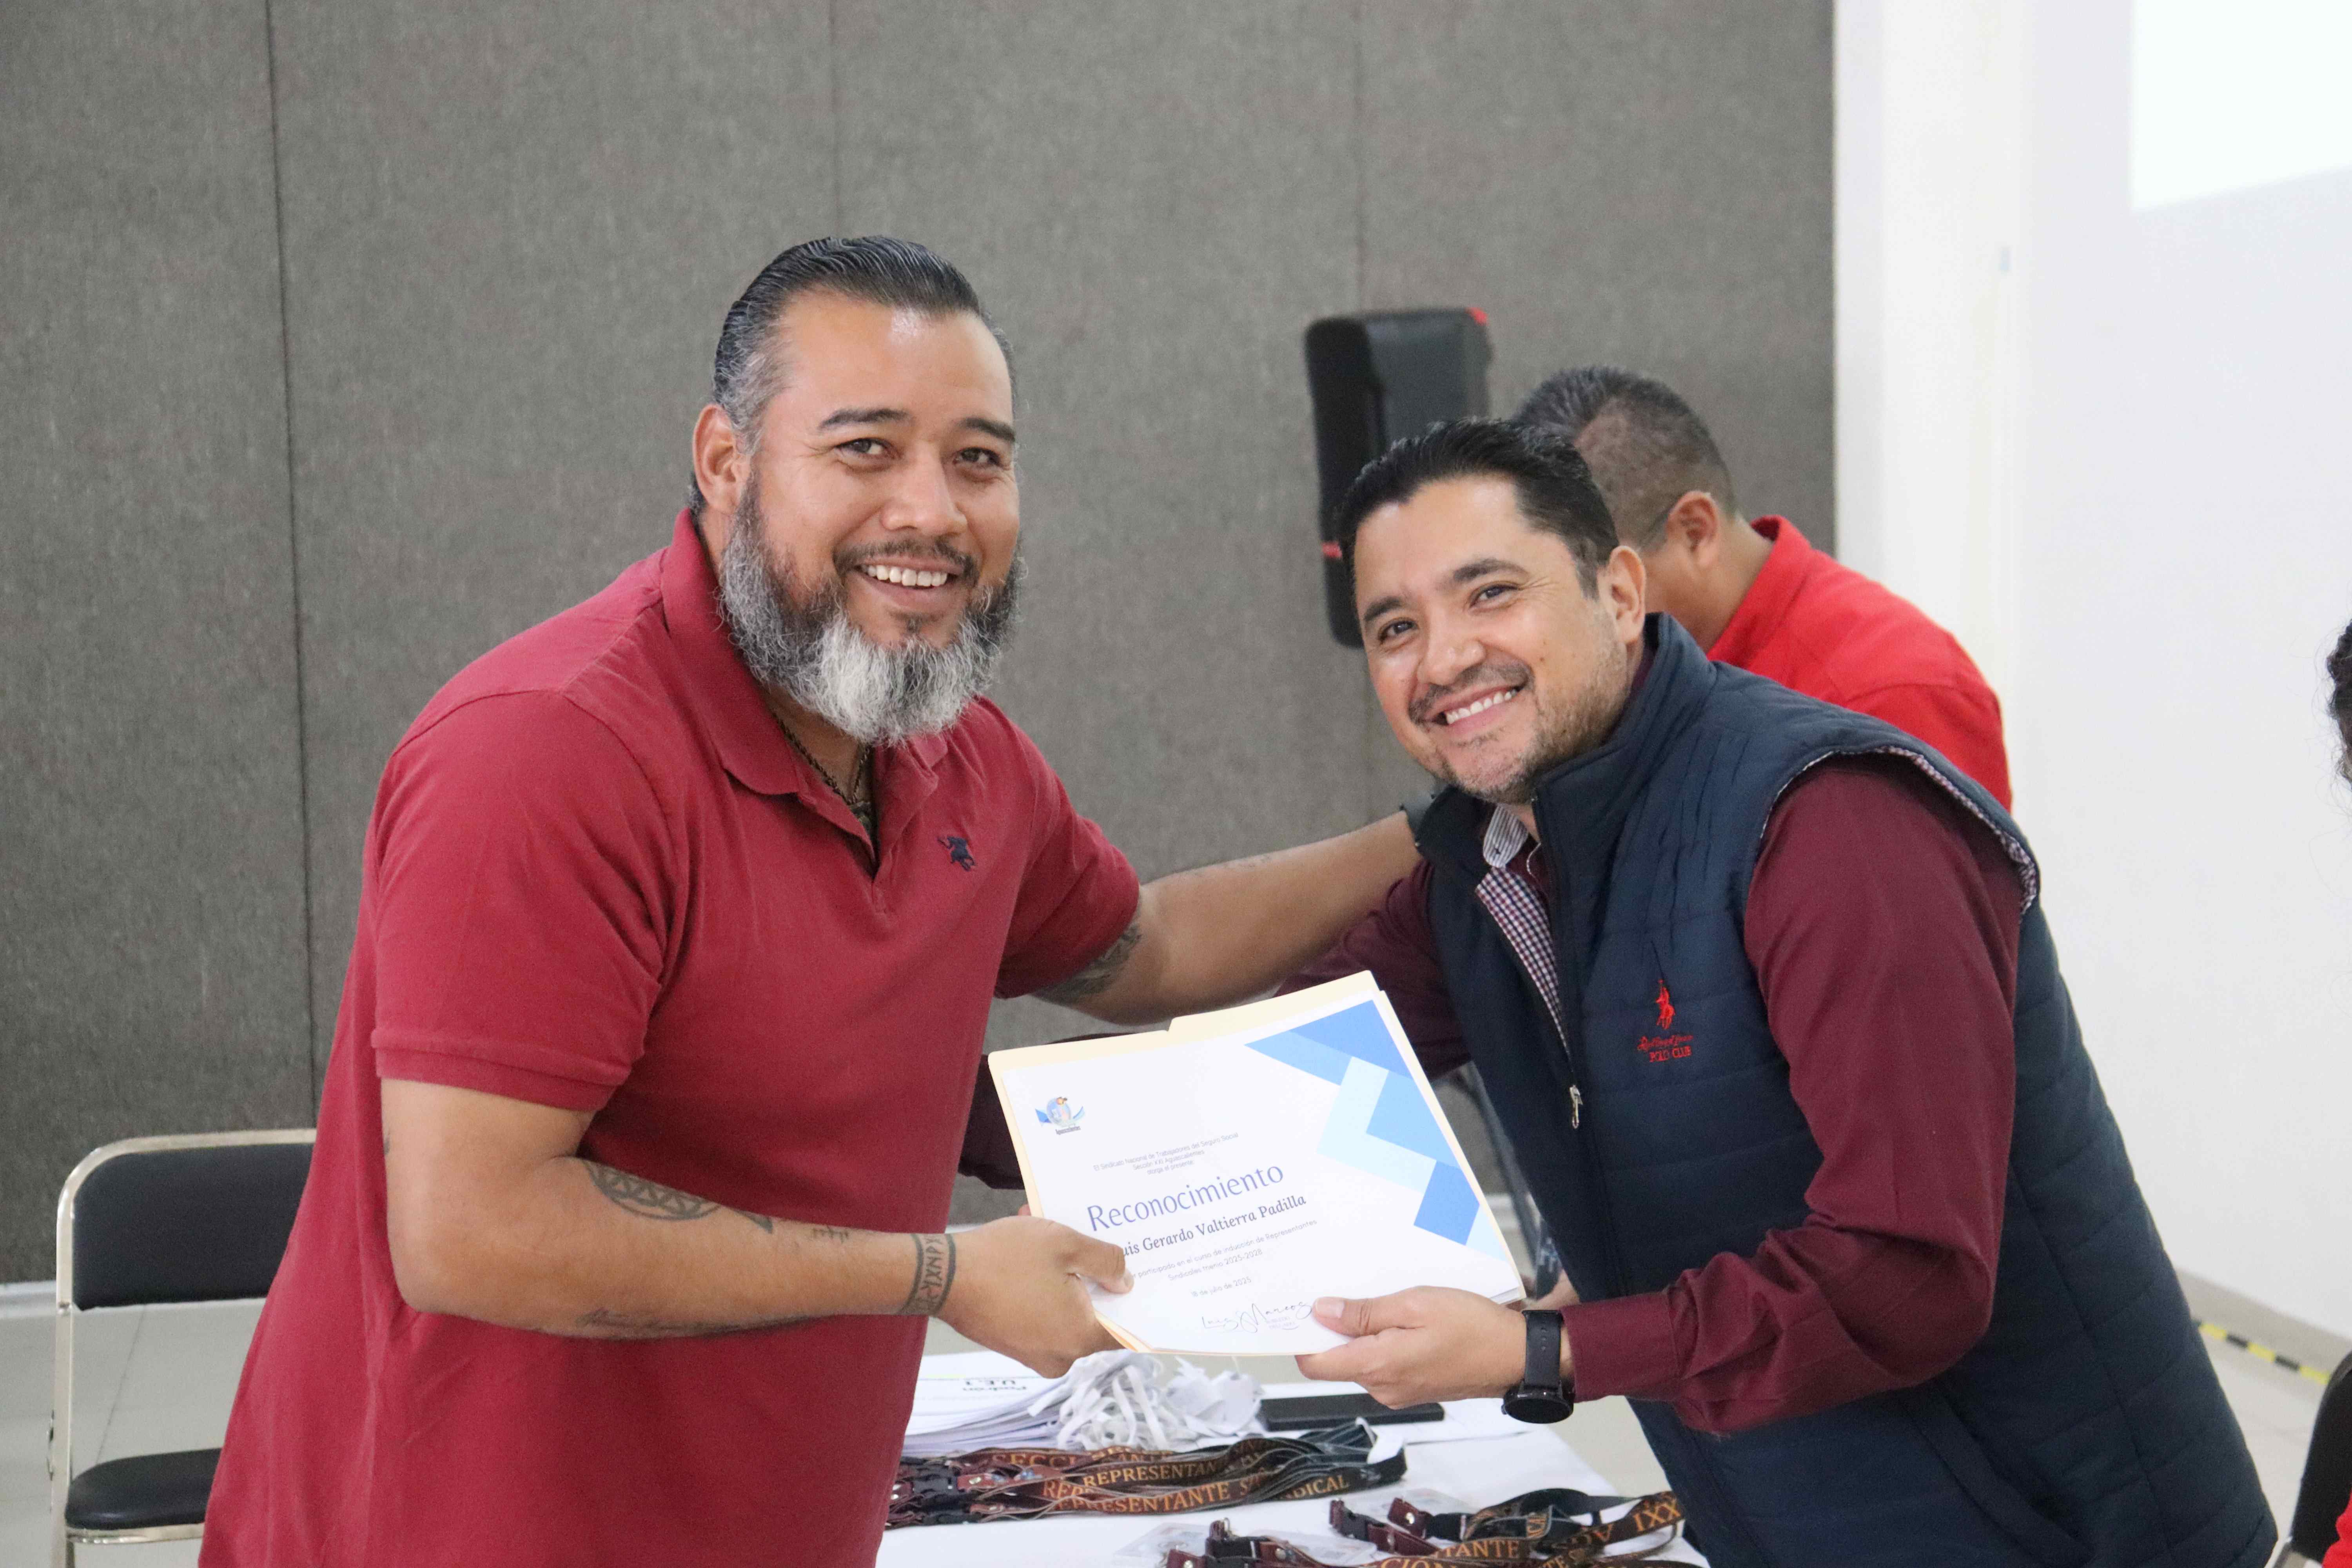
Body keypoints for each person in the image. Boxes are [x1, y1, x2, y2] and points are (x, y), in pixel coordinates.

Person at [200, 237, 1418, 1568]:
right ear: (725, 462)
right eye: (866, 450)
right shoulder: (546, 752)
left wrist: (1444, 825)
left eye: (978, 459)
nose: (932, 512)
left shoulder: (960, 756)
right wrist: (941, 1273)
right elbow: (473, 1230)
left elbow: (1152, 947)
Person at [1290, 418, 2272, 1566]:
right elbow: (1291, 1061)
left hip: (2052, 1531)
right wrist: (1117, 1198)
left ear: (1619, 592)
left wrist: (1547, 1351)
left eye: (1489, 594)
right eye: (1394, 628)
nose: (1444, 657)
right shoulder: (1489, 864)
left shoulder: (1831, 824)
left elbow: (1906, 1276)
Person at [1517, 365, 2012, 805]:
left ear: (1695, 531)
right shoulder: (1635, 679)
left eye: (1602, 588)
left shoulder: (1890, 692)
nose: (1573, 625)